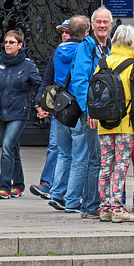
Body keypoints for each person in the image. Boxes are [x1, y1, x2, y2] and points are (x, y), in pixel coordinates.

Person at [0, 30, 43, 199]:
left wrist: (40, 105)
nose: (7, 45)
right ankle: (19, 186)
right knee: (13, 149)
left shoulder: (28, 65)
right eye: (5, 42)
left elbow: (39, 86)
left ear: (20, 45)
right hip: (0, 112)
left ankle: (4, 187)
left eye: (12, 42)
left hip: (19, 113)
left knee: (6, 147)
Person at [97, 25, 134, 223]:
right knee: (120, 165)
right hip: (125, 123)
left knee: (105, 165)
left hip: (104, 123)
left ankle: (104, 207)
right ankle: (117, 208)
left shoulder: (103, 63)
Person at [69, 6, 113, 219]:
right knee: (96, 159)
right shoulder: (86, 48)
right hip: (93, 114)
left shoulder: (111, 47)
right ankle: (90, 205)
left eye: (106, 22)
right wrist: (89, 111)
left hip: (109, 113)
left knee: (105, 158)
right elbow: (79, 81)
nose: (102, 26)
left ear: (111, 25)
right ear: (92, 26)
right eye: (99, 22)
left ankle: (102, 202)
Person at [46, 16, 91, 214]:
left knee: (63, 153)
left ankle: (57, 193)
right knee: (80, 155)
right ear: (86, 33)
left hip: (60, 105)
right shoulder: (83, 50)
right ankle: (72, 199)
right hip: (77, 106)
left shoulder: (60, 50)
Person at [30, 18, 71, 200]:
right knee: (55, 145)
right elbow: (47, 80)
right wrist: (40, 103)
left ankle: (69, 188)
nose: (64, 35)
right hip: (60, 106)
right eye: (62, 32)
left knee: (76, 149)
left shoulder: (85, 51)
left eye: (67, 32)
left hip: (78, 107)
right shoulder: (57, 53)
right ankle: (47, 184)